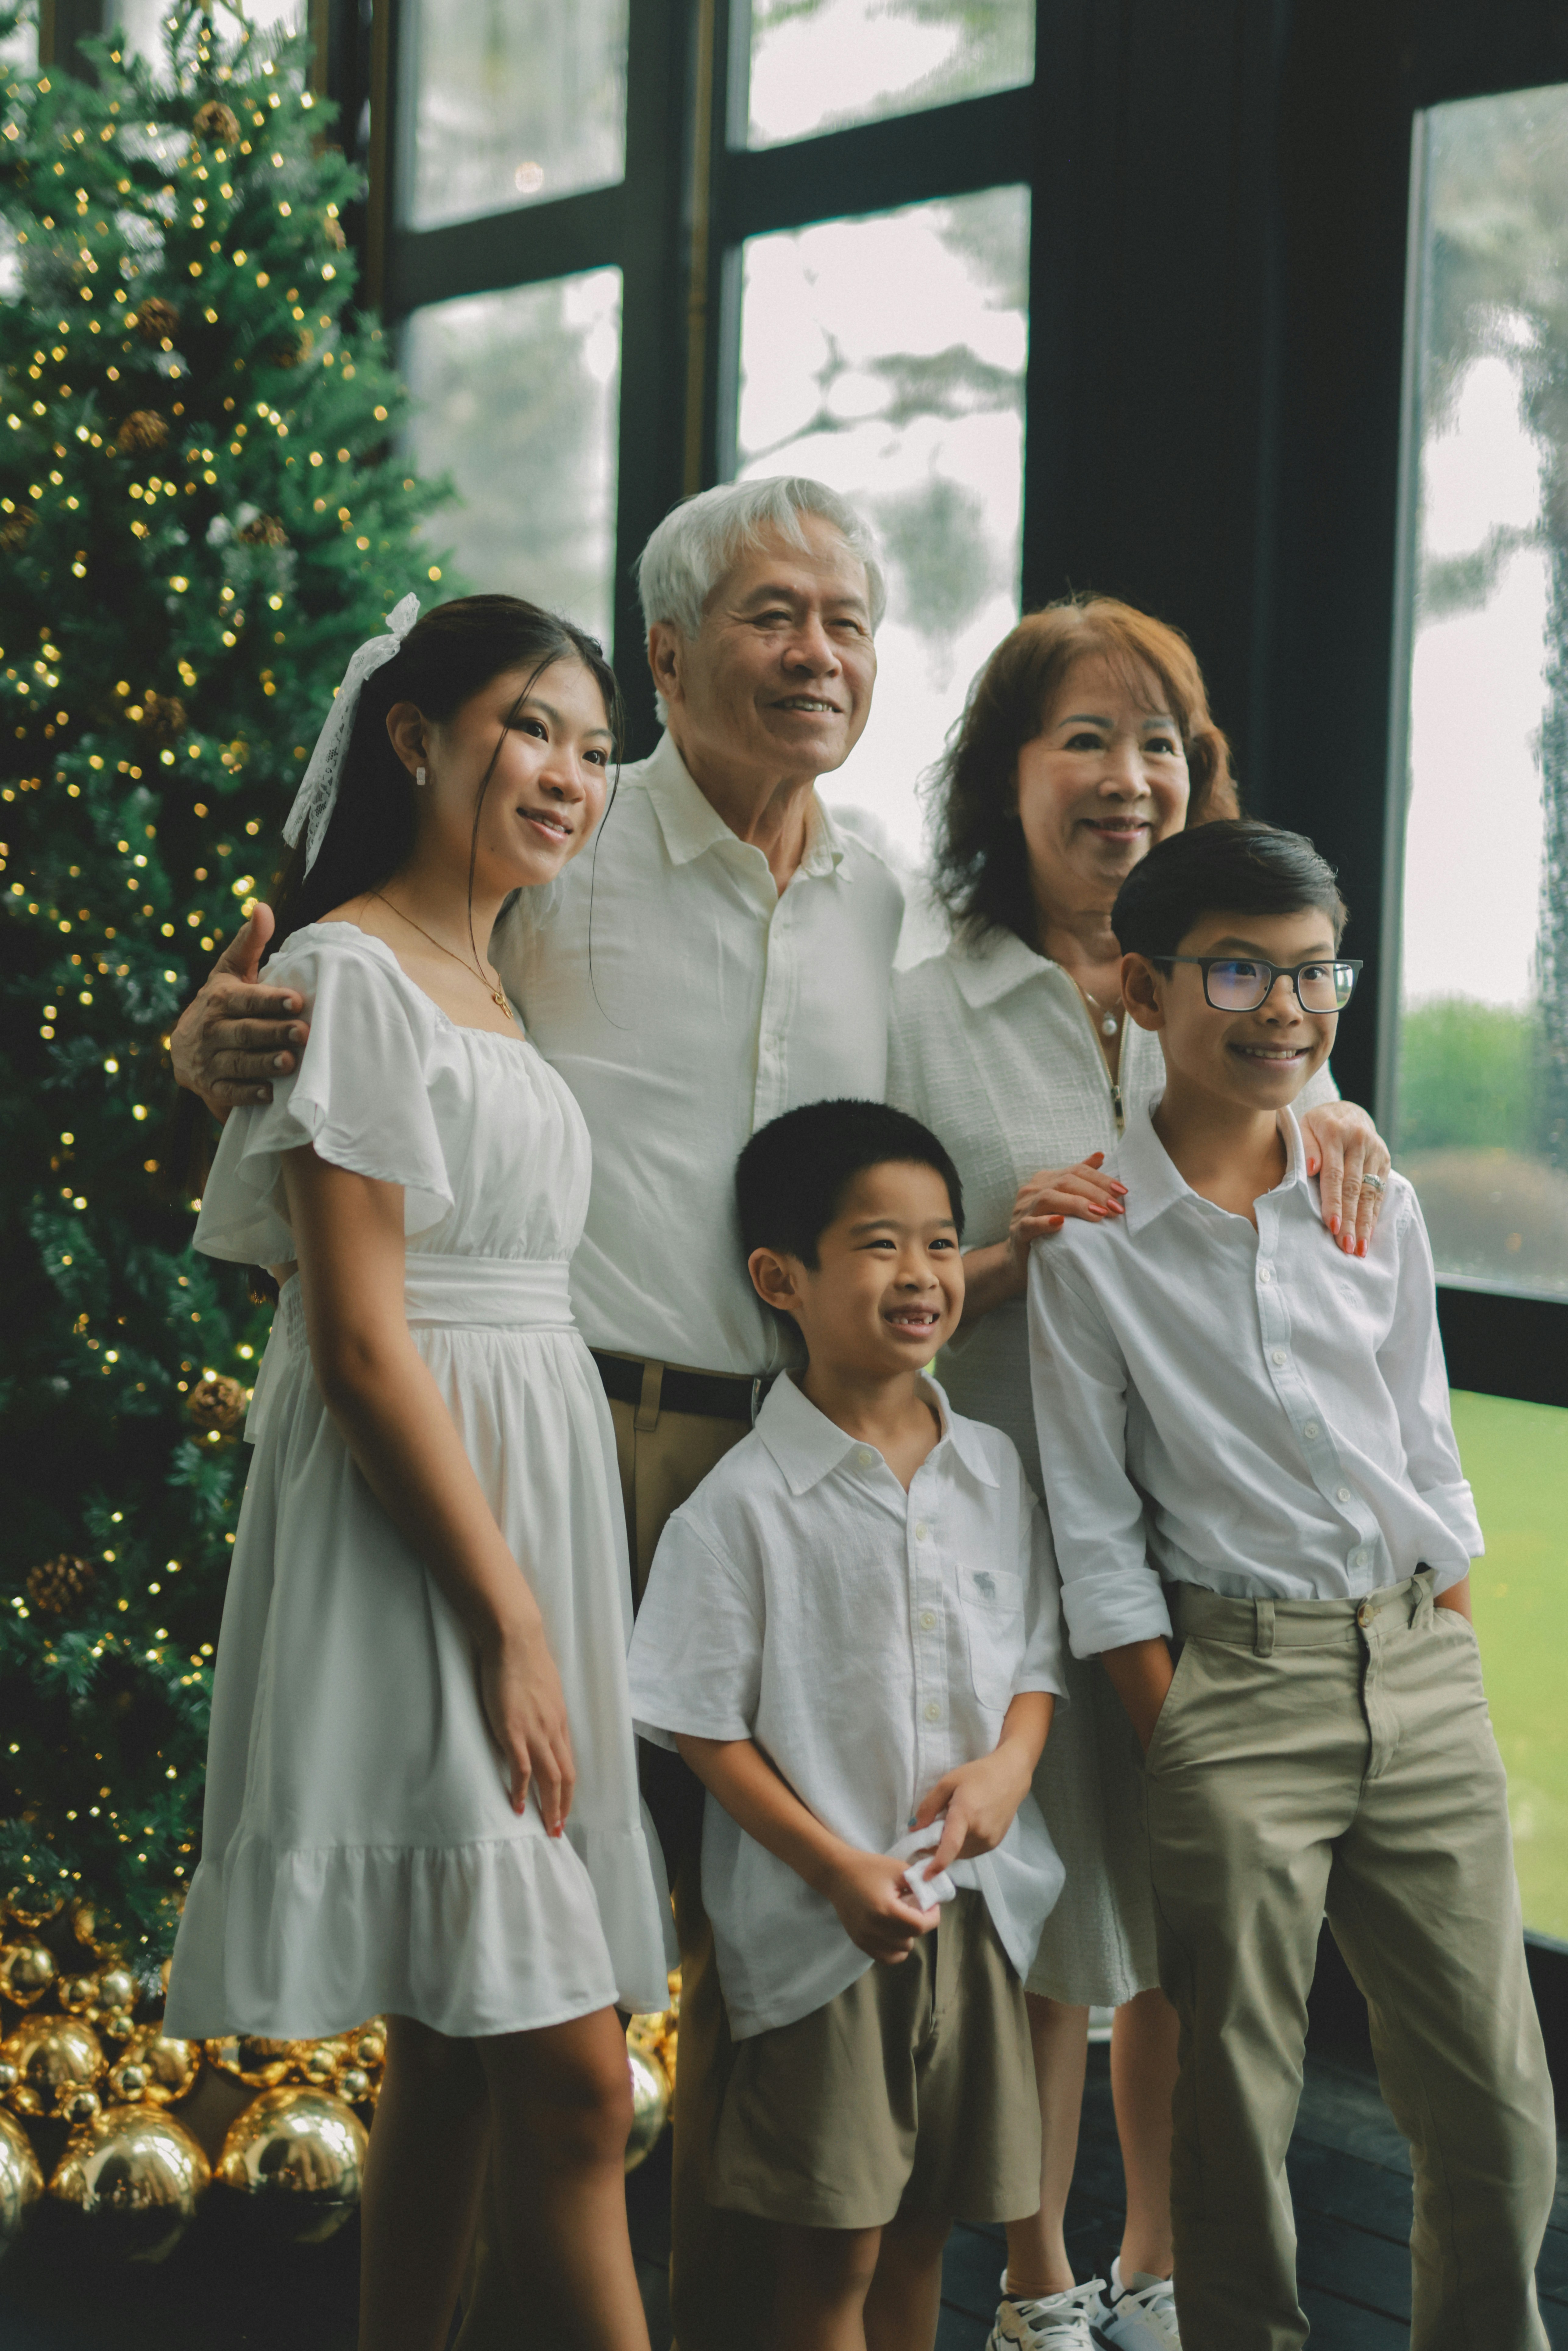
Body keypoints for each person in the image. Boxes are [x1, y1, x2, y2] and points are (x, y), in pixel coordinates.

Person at [168, 478, 905, 2351]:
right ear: (674, 652)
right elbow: (338, 1123)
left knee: (635, 1983)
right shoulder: (531, 893)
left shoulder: (869, 896)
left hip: (733, 1466)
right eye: (768, 613)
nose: (813, 649)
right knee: (546, 2039)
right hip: (533, 1446)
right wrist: (211, 1048)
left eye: (845, 617)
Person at [162, 594, 674, 2351]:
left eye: (597, 750)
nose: (567, 774)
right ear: (415, 738)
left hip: (527, 1482)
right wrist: (508, 1616)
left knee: (461, 2045)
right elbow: (363, 1345)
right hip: (425, 1518)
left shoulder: (495, 974)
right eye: (530, 727)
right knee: (574, 2086)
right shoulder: (349, 973)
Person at [888, 596, 1392, 2351]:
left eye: (1159, 742)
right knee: (1036, 1897)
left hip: (1210, 1524)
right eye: (1082, 741)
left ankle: (1166, 2263)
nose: (1127, 778)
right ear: (1003, 776)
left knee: (1187, 1909)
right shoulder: (925, 996)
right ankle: (1034, 2281)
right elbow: (874, 1272)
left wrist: (1332, 1110)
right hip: (1002, 1509)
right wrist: (995, 1254)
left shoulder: (1230, 977)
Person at [1026, 818, 1558, 2351]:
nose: (1286, 1009)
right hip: (1229, 1687)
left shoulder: (1369, 1195)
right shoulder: (1092, 1243)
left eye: (1318, 973)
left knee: (1496, 2101)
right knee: (1232, 2103)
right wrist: (1173, 1719)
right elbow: (1092, 1522)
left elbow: (1428, 1439)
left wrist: (1442, 1642)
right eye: (1240, 970)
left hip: (1416, 1669)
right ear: (1144, 986)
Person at [627, 1101, 1067, 2351]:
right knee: (834, 2255)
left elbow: (1035, 1657)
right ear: (783, 1278)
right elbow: (701, 1725)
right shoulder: (744, 1506)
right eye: (881, 1244)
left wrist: (1008, 1773)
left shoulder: (991, 1469)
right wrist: (835, 1869)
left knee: (927, 2232)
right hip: (824, 1945)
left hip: (973, 1921)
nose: (924, 1274)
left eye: (941, 1241)